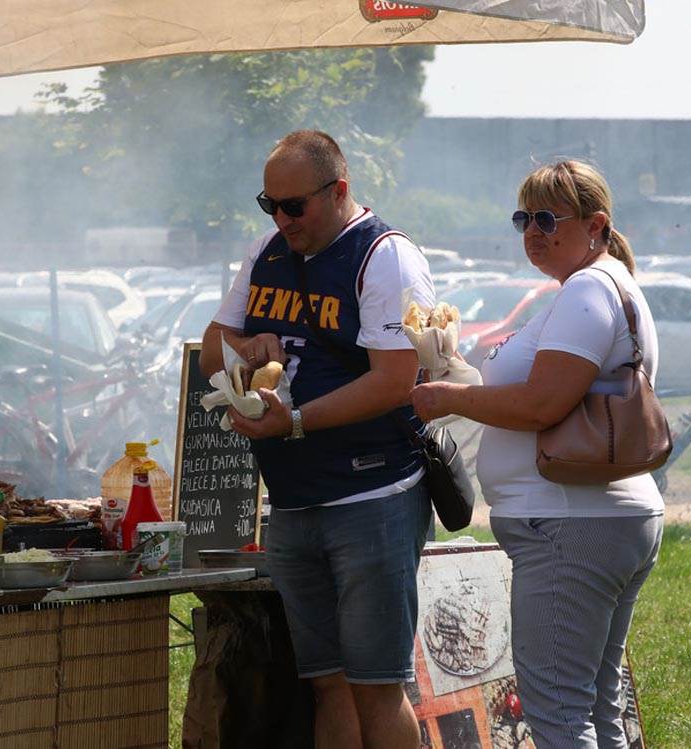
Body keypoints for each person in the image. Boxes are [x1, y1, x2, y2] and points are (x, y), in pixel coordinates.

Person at [411, 160, 663, 749]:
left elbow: (542, 405)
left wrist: (453, 396)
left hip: (571, 522)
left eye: (548, 218)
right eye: (523, 217)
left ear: (596, 224)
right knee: (596, 707)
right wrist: (465, 382)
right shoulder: (605, 285)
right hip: (598, 519)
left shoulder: (587, 289)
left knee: (556, 713)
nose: (532, 230)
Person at [200, 129, 435, 749]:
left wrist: (296, 422)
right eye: (269, 205)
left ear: (339, 191)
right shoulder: (266, 252)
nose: (282, 219)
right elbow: (210, 349)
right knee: (328, 684)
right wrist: (246, 347)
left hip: (370, 497)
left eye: (294, 206)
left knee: (378, 686)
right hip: (295, 503)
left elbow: (394, 380)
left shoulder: (384, 256)